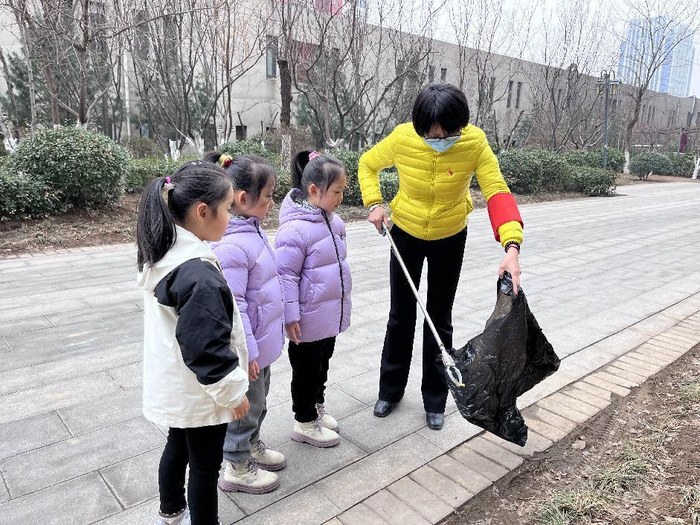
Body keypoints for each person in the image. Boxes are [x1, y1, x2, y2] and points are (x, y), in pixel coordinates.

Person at [358, 83, 524, 431]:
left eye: (448, 133)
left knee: (439, 317)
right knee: (400, 315)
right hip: (405, 232)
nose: (439, 140)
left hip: (450, 235)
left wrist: (512, 246)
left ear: (460, 125)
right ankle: (390, 390)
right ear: (418, 126)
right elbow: (367, 165)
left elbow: (496, 189)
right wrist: (374, 203)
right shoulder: (403, 138)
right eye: (430, 134)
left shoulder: (474, 142)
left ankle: (435, 398)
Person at [136, 161, 251, 525]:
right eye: (229, 208)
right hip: (201, 392)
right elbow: (206, 348)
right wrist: (234, 393)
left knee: (176, 447)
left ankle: (170, 514)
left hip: (178, 386)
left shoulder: (168, 252)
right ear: (203, 211)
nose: (231, 217)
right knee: (204, 468)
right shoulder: (198, 273)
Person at [204, 152, 286, 495]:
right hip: (248, 349)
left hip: (261, 345)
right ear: (242, 199)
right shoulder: (233, 245)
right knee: (244, 408)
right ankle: (237, 464)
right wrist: (249, 351)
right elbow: (234, 306)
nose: (272, 203)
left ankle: (250, 445)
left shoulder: (252, 231)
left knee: (259, 402)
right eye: (268, 197)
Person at [275, 151, 352, 448]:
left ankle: (318, 406)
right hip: (306, 320)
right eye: (336, 191)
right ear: (314, 191)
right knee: (305, 371)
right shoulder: (294, 229)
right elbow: (286, 276)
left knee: (322, 365)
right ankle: (304, 420)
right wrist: (290, 316)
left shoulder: (335, 222)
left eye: (343, 190)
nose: (341, 197)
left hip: (328, 315)